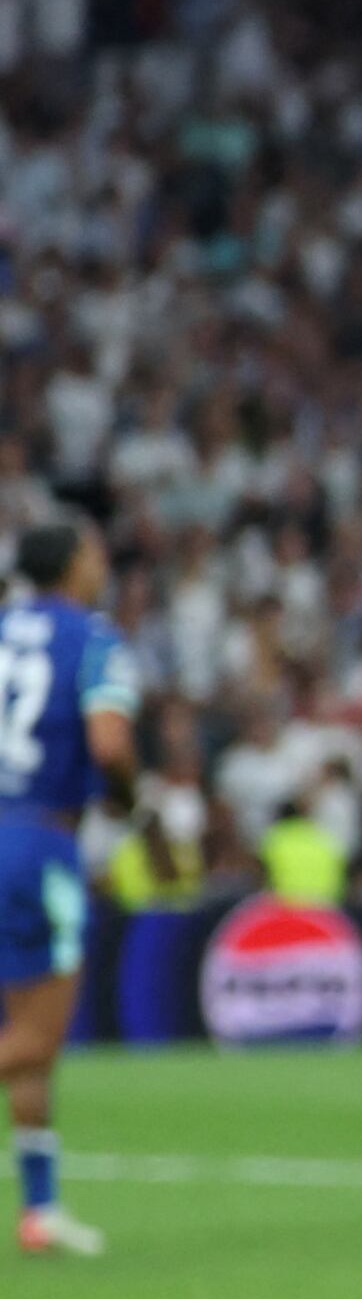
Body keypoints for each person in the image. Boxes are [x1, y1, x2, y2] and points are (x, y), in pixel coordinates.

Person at [0, 522, 152, 1257]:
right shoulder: (92, 638)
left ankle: (41, 1206)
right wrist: (129, 798)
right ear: (70, 566)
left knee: (29, 1038)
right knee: (35, 1034)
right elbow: (110, 744)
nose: (102, 564)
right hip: (37, 842)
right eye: (95, 552)